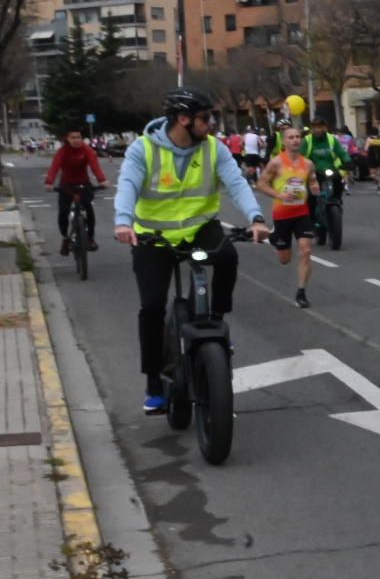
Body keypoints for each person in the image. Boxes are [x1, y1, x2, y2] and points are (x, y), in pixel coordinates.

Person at [113, 89, 269, 413]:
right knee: (152, 307)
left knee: (227, 256)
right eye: (204, 118)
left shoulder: (215, 148)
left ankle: (216, 321)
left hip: (198, 230)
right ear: (184, 120)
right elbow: (127, 185)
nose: (210, 123)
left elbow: (237, 183)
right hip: (152, 236)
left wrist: (255, 218)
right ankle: (154, 381)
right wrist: (123, 222)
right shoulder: (143, 149)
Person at [255, 125, 319, 309]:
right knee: (285, 259)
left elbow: (313, 180)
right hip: (282, 213)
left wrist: (314, 187)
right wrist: (280, 195)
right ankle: (275, 237)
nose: (295, 140)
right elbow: (261, 184)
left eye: (298, 137)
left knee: (306, 250)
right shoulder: (276, 162)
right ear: (284, 141)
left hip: (301, 213)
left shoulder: (308, 164)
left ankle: (301, 292)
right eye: (291, 137)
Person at [46, 129, 108, 253]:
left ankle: (90, 238)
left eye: (78, 137)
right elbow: (55, 167)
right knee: (63, 212)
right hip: (66, 185)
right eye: (72, 137)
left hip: (83, 184)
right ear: (67, 139)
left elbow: (94, 165)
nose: (76, 140)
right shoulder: (62, 152)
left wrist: (102, 180)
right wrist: (49, 182)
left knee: (89, 211)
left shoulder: (87, 150)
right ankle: (65, 238)